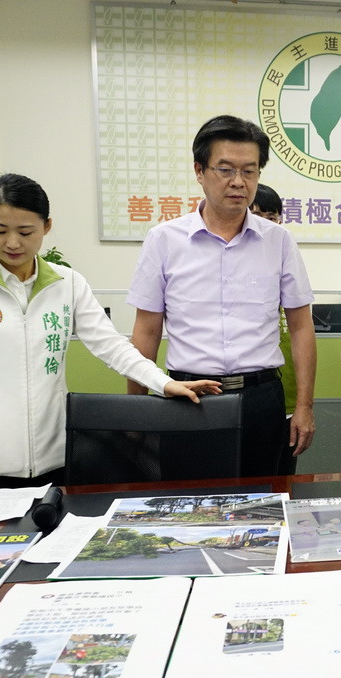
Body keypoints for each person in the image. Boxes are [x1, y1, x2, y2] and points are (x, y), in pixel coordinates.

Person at [0, 174, 216, 491]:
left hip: (53, 458)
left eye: (25, 231)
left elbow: (111, 346)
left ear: (46, 226)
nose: (12, 243)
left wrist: (163, 382)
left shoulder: (68, 283)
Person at [128, 115, 317, 478]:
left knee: (264, 507)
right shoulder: (164, 240)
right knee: (189, 513)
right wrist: (137, 409)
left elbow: (300, 326)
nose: (238, 182)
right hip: (188, 397)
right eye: (225, 169)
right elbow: (147, 330)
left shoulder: (279, 241)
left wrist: (305, 406)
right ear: (199, 170)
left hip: (261, 399)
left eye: (249, 171)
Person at [251, 183, 300, 475]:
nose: (265, 224)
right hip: (249, 399)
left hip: (287, 398)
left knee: (281, 479)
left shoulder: (285, 260)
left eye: (271, 217)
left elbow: (300, 331)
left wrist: (304, 405)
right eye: (256, 215)